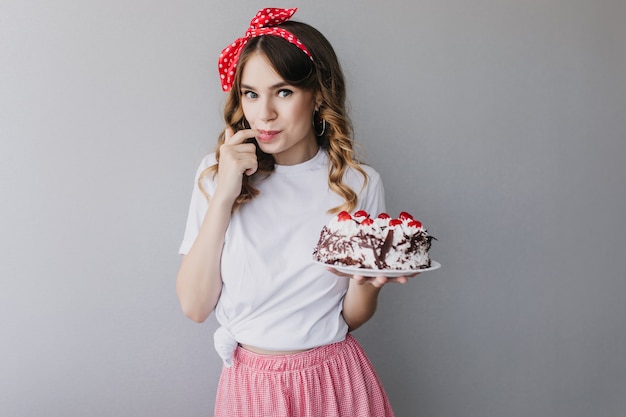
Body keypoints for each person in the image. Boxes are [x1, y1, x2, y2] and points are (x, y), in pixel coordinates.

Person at [176, 8, 416, 416]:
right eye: (251, 93)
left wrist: (367, 283)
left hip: (335, 380)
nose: (264, 112)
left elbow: (350, 317)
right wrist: (224, 195)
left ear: (318, 95)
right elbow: (196, 307)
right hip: (252, 387)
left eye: (283, 92)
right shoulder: (214, 174)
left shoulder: (359, 183)